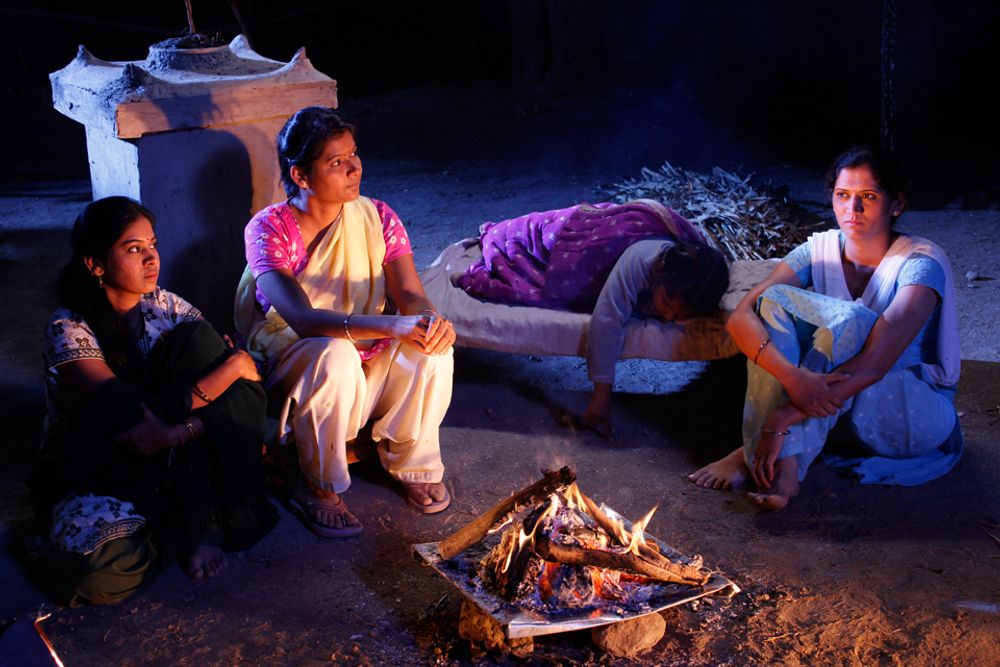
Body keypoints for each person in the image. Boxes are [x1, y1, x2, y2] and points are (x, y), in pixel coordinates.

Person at [688, 145, 962, 509]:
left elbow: (873, 366)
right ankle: (783, 459)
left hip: (910, 414)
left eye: (868, 197)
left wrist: (782, 415)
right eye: (843, 195)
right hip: (831, 405)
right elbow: (741, 317)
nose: (853, 209)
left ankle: (768, 459)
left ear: (896, 204)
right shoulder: (820, 250)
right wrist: (792, 377)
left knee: (852, 322)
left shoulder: (920, 265)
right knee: (774, 301)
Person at [34, 197, 277, 606]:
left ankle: (196, 522)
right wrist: (231, 369)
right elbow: (127, 411)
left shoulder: (168, 307)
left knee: (202, 346)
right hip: (103, 463)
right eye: (134, 249)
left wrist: (178, 433)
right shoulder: (69, 327)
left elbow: (248, 393)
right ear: (95, 264)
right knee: (93, 574)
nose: (151, 259)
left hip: (174, 454)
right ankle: (187, 527)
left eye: (153, 245)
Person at [235, 107, 456, 538]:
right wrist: (392, 326)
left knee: (432, 348)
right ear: (301, 176)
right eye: (336, 162)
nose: (355, 168)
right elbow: (303, 321)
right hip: (298, 366)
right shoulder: (269, 230)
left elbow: (410, 295)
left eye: (354, 154)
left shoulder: (377, 217)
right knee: (334, 354)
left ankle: (413, 464)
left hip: (367, 358)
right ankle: (317, 485)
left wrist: (429, 321)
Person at [456, 200, 730, 436]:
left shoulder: (700, 270)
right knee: (521, 255)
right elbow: (607, 321)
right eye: (667, 304)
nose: (669, 317)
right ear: (659, 271)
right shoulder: (642, 260)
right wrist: (600, 401)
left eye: (680, 316)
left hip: (626, 244)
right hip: (572, 233)